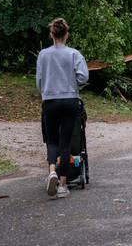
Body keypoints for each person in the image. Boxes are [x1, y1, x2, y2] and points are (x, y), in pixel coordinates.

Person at [36, 18, 89, 198]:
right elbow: (83, 77)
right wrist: (72, 83)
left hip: (50, 101)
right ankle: (63, 186)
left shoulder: (43, 55)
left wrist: (46, 91)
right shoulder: (74, 54)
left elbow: (39, 81)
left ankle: (52, 171)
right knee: (65, 143)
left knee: (52, 141)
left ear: (51, 34)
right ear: (66, 34)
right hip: (69, 100)